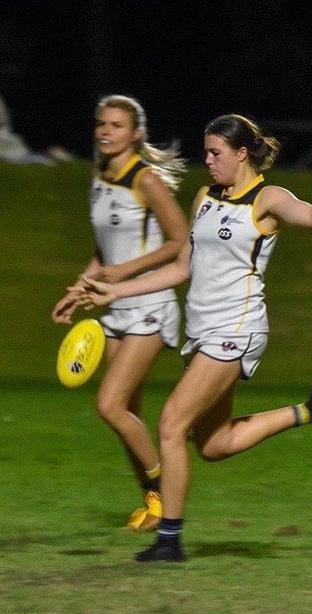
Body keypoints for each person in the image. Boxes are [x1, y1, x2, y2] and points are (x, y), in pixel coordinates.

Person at [73, 114, 312, 561]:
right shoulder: (205, 197)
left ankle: (170, 540)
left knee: (171, 424)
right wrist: (114, 290)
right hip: (202, 333)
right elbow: (180, 268)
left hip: (236, 330)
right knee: (214, 445)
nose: (208, 161)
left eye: (216, 153)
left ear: (242, 153)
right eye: (206, 152)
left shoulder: (267, 198)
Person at [52, 95, 188, 532]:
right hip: (113, 308)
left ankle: (165, 490)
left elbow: (178, 242)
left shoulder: (146, 180)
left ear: (136, 134)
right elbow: (104, 249)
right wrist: (79, 288)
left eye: (116, 125)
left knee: (109, 405)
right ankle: (153, 503)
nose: (106, 131)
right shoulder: (99, 176)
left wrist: (120, 274)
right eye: (101, 124)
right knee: (127, 411)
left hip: (149, 305)